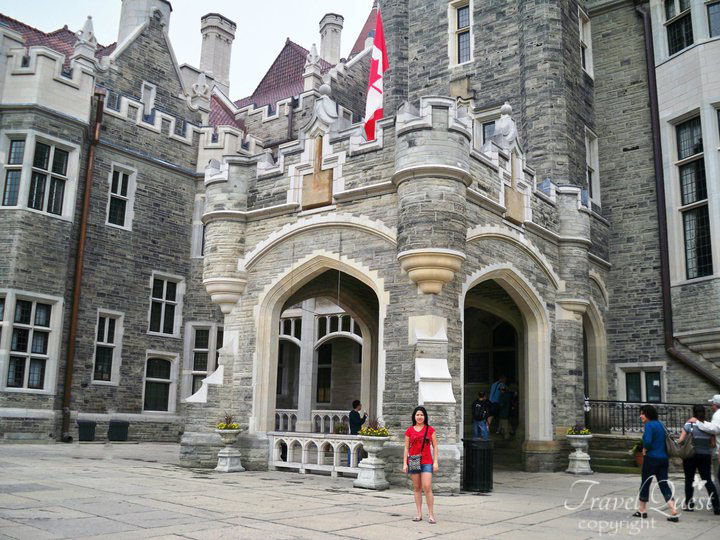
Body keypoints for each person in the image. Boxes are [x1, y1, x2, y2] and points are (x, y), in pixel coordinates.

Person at [633, 405, 679, 522]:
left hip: (651, 459)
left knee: (645, 483)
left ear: (648, 414)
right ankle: (673, 510)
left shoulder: (649, 425)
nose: (641, 416)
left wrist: (645, 448)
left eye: (642, 413)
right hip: (663, 459)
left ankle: (642, 510)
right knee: (664, 484)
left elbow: (648, 441)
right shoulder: (660, 424)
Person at [678, 405, 720, 514]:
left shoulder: (688, 425)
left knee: (689, 480)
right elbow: (713, 444)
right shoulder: (708, 426)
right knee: (707, 480)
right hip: (705, 456)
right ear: (704, 413)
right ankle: (716, 506)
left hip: (690, 456)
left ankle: (689, 504)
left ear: (694, 413)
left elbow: (680, 440)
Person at [403, 406, 439, 524]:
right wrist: (404, 464)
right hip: (413, 460)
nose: (419, 417)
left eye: (422, 415)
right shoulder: (409, 431)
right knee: (417, 488)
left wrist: (435, 462)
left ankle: (431, 514)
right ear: (414, 416)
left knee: (427, 487)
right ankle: (419, 513)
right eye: (417, 415)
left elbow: (435, 447)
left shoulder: (430, 430)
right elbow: (406, 448)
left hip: (427, 461)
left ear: (425, 416)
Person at [689, 394, 720, 504]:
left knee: (717, 477)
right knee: (710, 479)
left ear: (715, 405)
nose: (711, 406)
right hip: (708, 453)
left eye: (712, 404)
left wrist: (698, 422)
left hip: (716, 452)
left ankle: (717, 501)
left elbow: (715, 429)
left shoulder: (717, 415)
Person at [348, 400, 367, 465]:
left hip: (356, 432)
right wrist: (364, 417)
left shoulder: (354, 413)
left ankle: (355, 462)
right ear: (358, 406)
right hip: (355, 433)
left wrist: (364, 417)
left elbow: (359, 421)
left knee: (356, 448)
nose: (361, 406)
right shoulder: (353, 413)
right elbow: (358, 422)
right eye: (360, 405)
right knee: (353, 448)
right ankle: (351, 462)